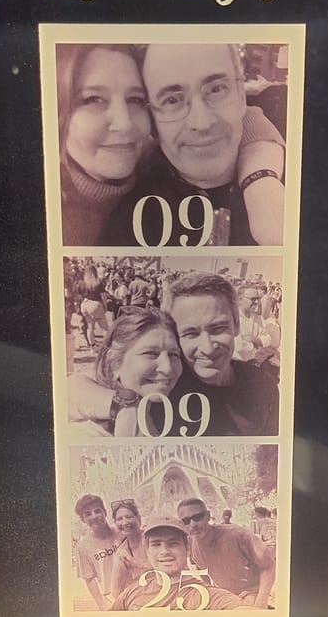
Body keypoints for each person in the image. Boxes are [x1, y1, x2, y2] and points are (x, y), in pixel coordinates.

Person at [104, 43, 286, 247]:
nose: (202, 123)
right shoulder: (126, 218)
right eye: (172, 100)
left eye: (216, 89)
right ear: (152, 120)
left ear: (241, 97)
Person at [57, 43, 153, 245]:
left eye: (135, 100)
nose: (125, 124)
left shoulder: (164, 175)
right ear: (58, 113)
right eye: (94, 99)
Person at [164, 272, 279, 435]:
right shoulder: (163, 397)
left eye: (218, 329)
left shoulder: (263, 386)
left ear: (236, 325)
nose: (208, 348)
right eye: (191, 333)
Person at [67, 306, 182, 435]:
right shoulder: (93, 434)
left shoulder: (157, 403)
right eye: (150, 353)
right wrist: (123, 404)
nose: (168, 368)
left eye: (174, 354)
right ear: (114, 363)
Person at [111, 516, 244, 611]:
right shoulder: (132, 593)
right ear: (148, 551)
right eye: (156, 544)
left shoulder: (207, 596)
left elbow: (244, 613)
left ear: (187, 549)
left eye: (173, 544)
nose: (164, 551)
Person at [176, 497, 275, 608]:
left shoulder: (238, 535)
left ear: (208, 516)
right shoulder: (191, 544)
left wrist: (261, 602)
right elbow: (201, 569)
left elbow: (269, 565)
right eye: (186, 521)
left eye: (198, 517)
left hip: (251, 594)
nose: (193, 524)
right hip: (227, 598)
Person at [74, 494, 120, 609]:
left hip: (134, 589)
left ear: (105, 512)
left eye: (97, 511)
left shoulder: (121, 532)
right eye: (88, 514)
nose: (94, 516)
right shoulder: (83, 547)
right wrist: (101, 605)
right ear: (83, 520)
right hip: (112, 597)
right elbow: (89, 578)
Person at [110, 498, 149, 596]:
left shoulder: (152, 539)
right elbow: (116, 591)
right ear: (115, 523)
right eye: (119, 519)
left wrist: (133, 562)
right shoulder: (121, 553)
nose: (125, 522)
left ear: (138, 518)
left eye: (129, 517)